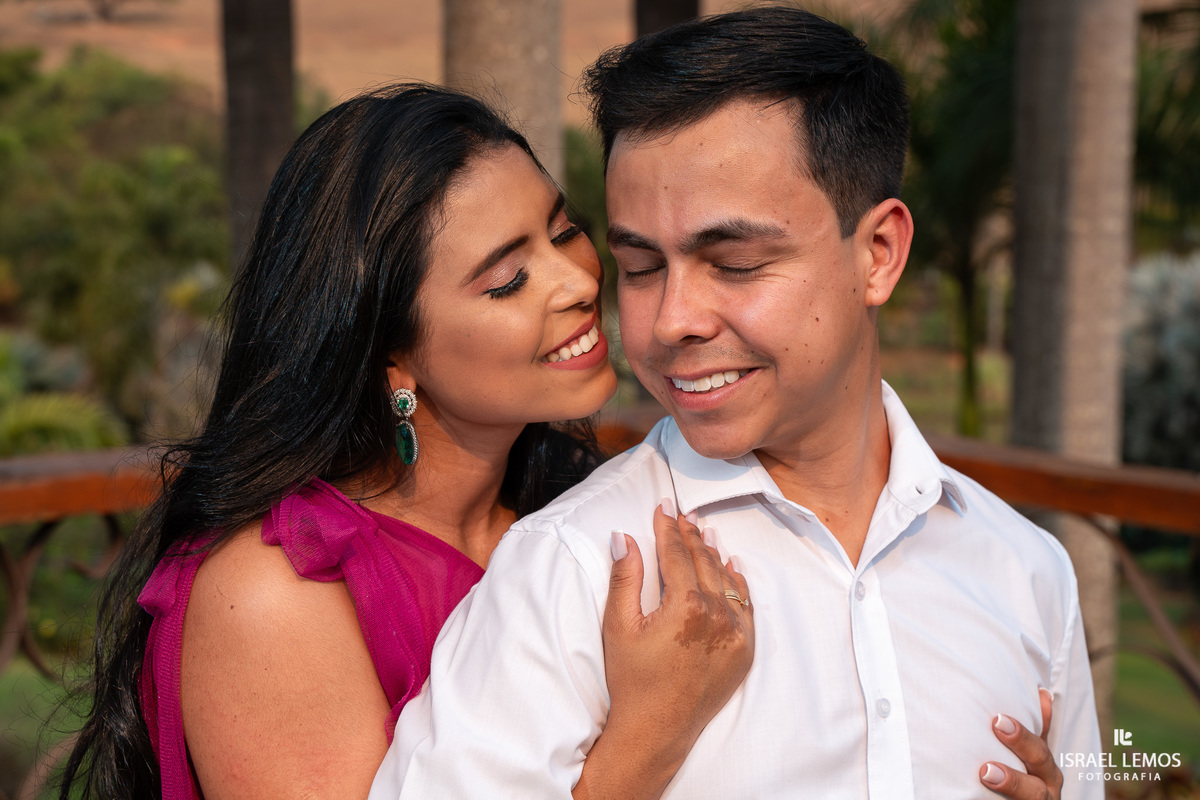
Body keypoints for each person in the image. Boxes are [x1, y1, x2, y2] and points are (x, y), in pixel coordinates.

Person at [374, 7, 1101, 799]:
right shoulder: (573, 570)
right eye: (642, 268)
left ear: (878, 254)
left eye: (737, 263)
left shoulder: (1027, 572)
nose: (671, 322)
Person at [57, 84, 756, 800]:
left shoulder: (584, 502)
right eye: (508, 280)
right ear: (392, 356)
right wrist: (654, 730)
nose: (578, 281)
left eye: (564, 230)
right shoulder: (276, 593)